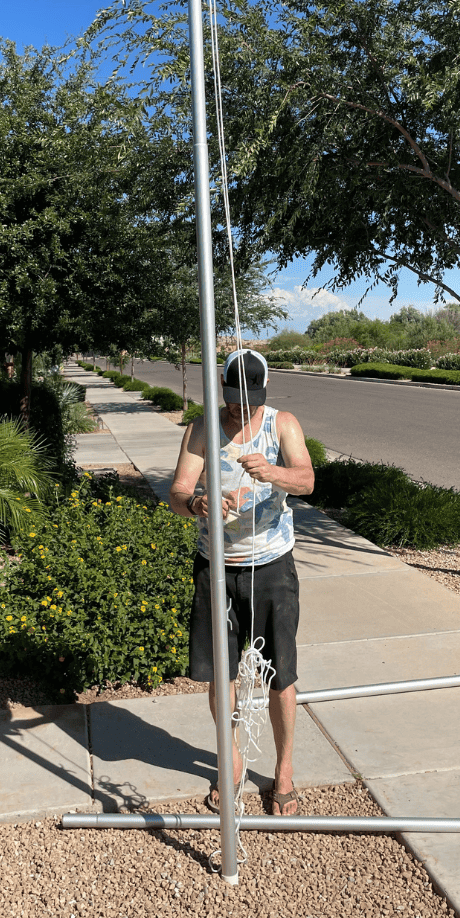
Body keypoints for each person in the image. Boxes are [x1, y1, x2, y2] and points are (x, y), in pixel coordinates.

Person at [169, 348, 314, 816]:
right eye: (232, 398)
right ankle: (230, 762)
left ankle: (284, 771)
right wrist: (198, 504)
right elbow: (177, 491)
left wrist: (274, 473)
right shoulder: (203, 427)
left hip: (272, 566)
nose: (239, 407)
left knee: (281, 675)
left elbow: (308, 480)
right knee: (221, 675)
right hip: (217, 566)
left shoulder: (282, 424)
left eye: (248, 400)